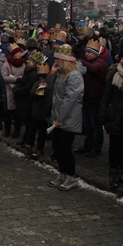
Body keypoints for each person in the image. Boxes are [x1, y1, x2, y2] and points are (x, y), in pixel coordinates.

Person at [48, 44, 84, 191]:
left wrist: (61, 117)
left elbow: (70, 98)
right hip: (58, 117)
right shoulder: (60, 74)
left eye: (58, 60)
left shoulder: (74, 75)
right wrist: (52, 73)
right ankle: (62, 173)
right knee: (57, 146)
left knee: (64, 147)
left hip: (68, 118)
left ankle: (71, 176)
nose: (55, 62)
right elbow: (53, 91)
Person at [99, 44, 123, 189]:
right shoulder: (114, 75)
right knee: (115, 146)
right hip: (116, 116)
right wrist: (104, 115)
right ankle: (114, 173)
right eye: (121, 58)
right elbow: (106, 96)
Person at [75, 38, 107, 157]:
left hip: (96, 99)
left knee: (96, 125)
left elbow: (94, 69)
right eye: (86, 52)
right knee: (88, 125)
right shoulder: (90, 63)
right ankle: (88, 144)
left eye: (89, 52)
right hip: (87, 98)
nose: (87, 54)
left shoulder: (100, 63)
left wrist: (80, 61)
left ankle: (96, 147)